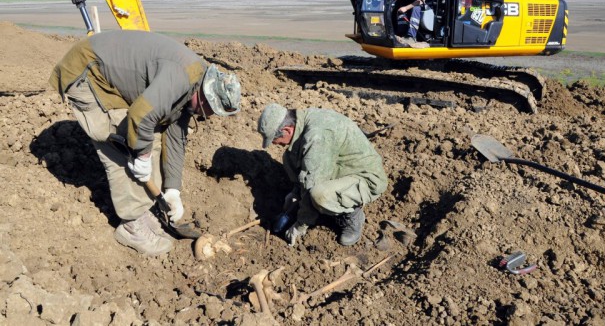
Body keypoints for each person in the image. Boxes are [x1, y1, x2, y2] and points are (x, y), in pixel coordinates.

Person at [49, 30, 241, 256]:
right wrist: (141, 156)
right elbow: (139, 118)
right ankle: (131, 224)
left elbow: (175, 137)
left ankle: (143, 208)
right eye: (211, 110)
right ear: (205, 95)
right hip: (88, 73)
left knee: (152, 139)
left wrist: (172, 190)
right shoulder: (180, 78)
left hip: (111, 77)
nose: (208, 116)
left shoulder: (195, 83)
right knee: (122, 143)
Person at [257, 103, 388, 247]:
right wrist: (295, 193)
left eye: (276, 141)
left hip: (365, 177)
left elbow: (311, 183)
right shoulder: (301, 120)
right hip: (338, 166)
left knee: (319, 195)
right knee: (288, 157)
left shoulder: (317, 136)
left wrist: (300, 226)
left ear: (287, 129)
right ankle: (309, 200)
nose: (276, 144)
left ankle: (352, 215)